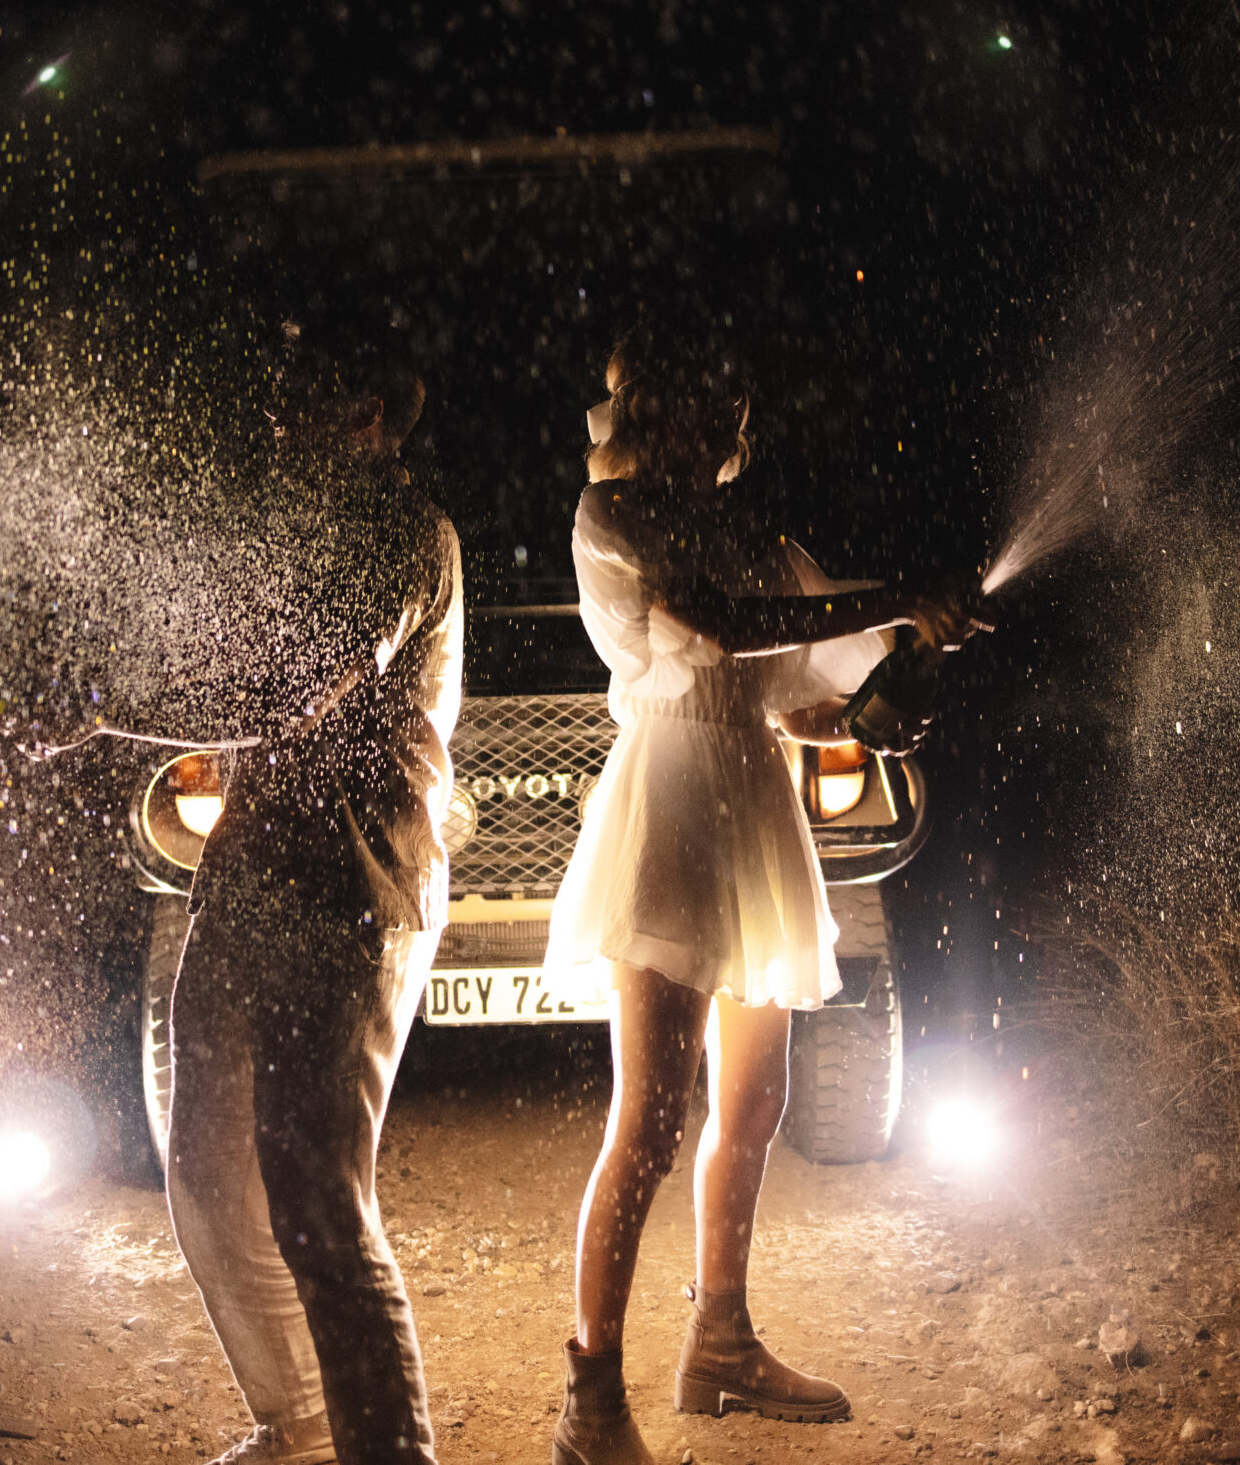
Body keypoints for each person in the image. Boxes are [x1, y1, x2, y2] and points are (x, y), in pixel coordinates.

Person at [541, 344, 978, 1465]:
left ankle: (720, 1344)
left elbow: (796, 692)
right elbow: (715, 628)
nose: (722, 425)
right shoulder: (610, 515)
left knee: (755, 1100)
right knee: (647, 1120)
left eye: (732, 406)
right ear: (652, 409)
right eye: (702, 402)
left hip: (750, 801)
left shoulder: (758, 536)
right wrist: (897, 596)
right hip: (674, 809)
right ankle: (590, 1401)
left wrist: (885, 686)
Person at [155, 326, 464, 1465]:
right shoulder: (276, 532)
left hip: (355, 884)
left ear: (377, 420)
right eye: (281, 394)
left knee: (317, 1199)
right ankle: (294, 1420)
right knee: (206, 1174)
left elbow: (294, 695)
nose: (284, 417)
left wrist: (93, 706)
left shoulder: (400, 533)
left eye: (317, 397)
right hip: (250, 876)